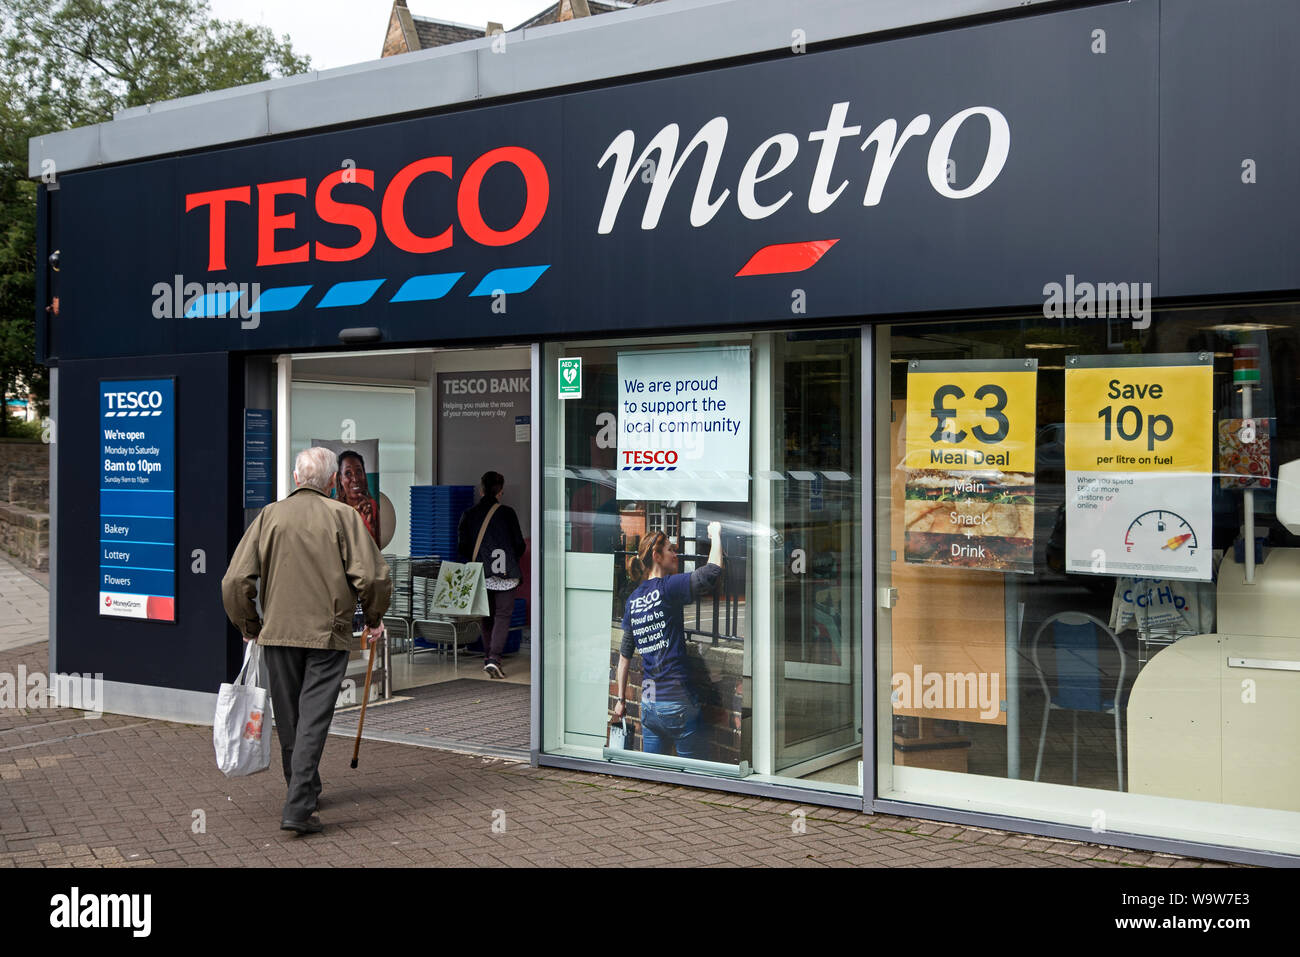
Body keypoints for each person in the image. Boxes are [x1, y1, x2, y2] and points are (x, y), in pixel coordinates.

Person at [221, 447, 392, 835]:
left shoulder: (269, 516)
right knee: (313, 718)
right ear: (332, 481)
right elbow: (375, 578)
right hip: (327, 633)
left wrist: (249, 625)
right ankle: (299, 804)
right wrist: (374, 617)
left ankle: (303, 790)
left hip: (277, 633)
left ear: (296, 479)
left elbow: (234, 581)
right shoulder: (343, 517)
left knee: (292, 718)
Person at [612, 522, 723, 759]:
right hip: (676, 703)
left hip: (649, 706)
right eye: (671, 549)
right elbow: (712, 572)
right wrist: (716, 535)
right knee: (694, 774)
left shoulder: (633, 600)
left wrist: (621, 702)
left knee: (653, 775)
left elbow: (623, 659)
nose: (676, 554)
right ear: (656, 555)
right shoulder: (667, 587)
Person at [457, 470, 526, 679]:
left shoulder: (469, 515)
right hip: (506, 574)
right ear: (500, 491)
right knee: (503, 615)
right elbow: (519, 545)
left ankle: (489, 658)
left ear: (482, 489)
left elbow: (463, 547)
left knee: (486, 617)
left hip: (481, 573)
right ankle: (494, 658)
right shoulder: (508, 513)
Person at [337, 449, 380, 545]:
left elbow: (377, 547)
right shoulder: (334, 509)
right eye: (348, 473)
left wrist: (372, 526)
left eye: (359, 471)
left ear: (364, 475)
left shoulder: (372, 505)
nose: (355, 479)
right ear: (340, 479)